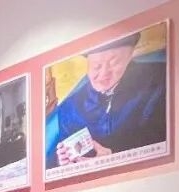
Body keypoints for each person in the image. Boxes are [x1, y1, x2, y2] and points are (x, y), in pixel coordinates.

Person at [47, 32, 167, 169]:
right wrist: (64, 161)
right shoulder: (69, 108)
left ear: (130, 56)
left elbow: (163, 137)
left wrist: (113, 155)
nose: (104, 73)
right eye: (96, 66)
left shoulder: (160, 79)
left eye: (114, 63)